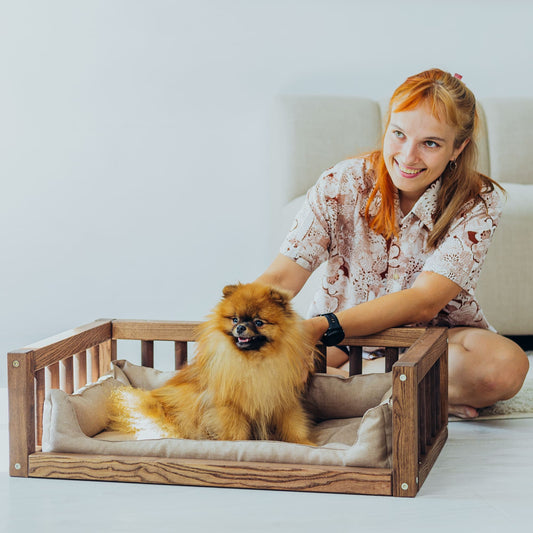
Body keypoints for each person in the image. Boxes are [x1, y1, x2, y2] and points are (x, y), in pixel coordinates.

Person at [256, 68, 529, 419]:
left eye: (430, 143)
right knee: (262, 370)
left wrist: (323, 326)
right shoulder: (340, 183)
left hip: (431, 342)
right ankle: (422, 396)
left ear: (458, 147)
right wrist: (239, 317)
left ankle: (344, 389)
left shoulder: (478, 201)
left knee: (503, 368)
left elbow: (423, 302)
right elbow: (281, 278)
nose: (408, 156)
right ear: (387, 127)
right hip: (344, 344)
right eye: (398, 134)